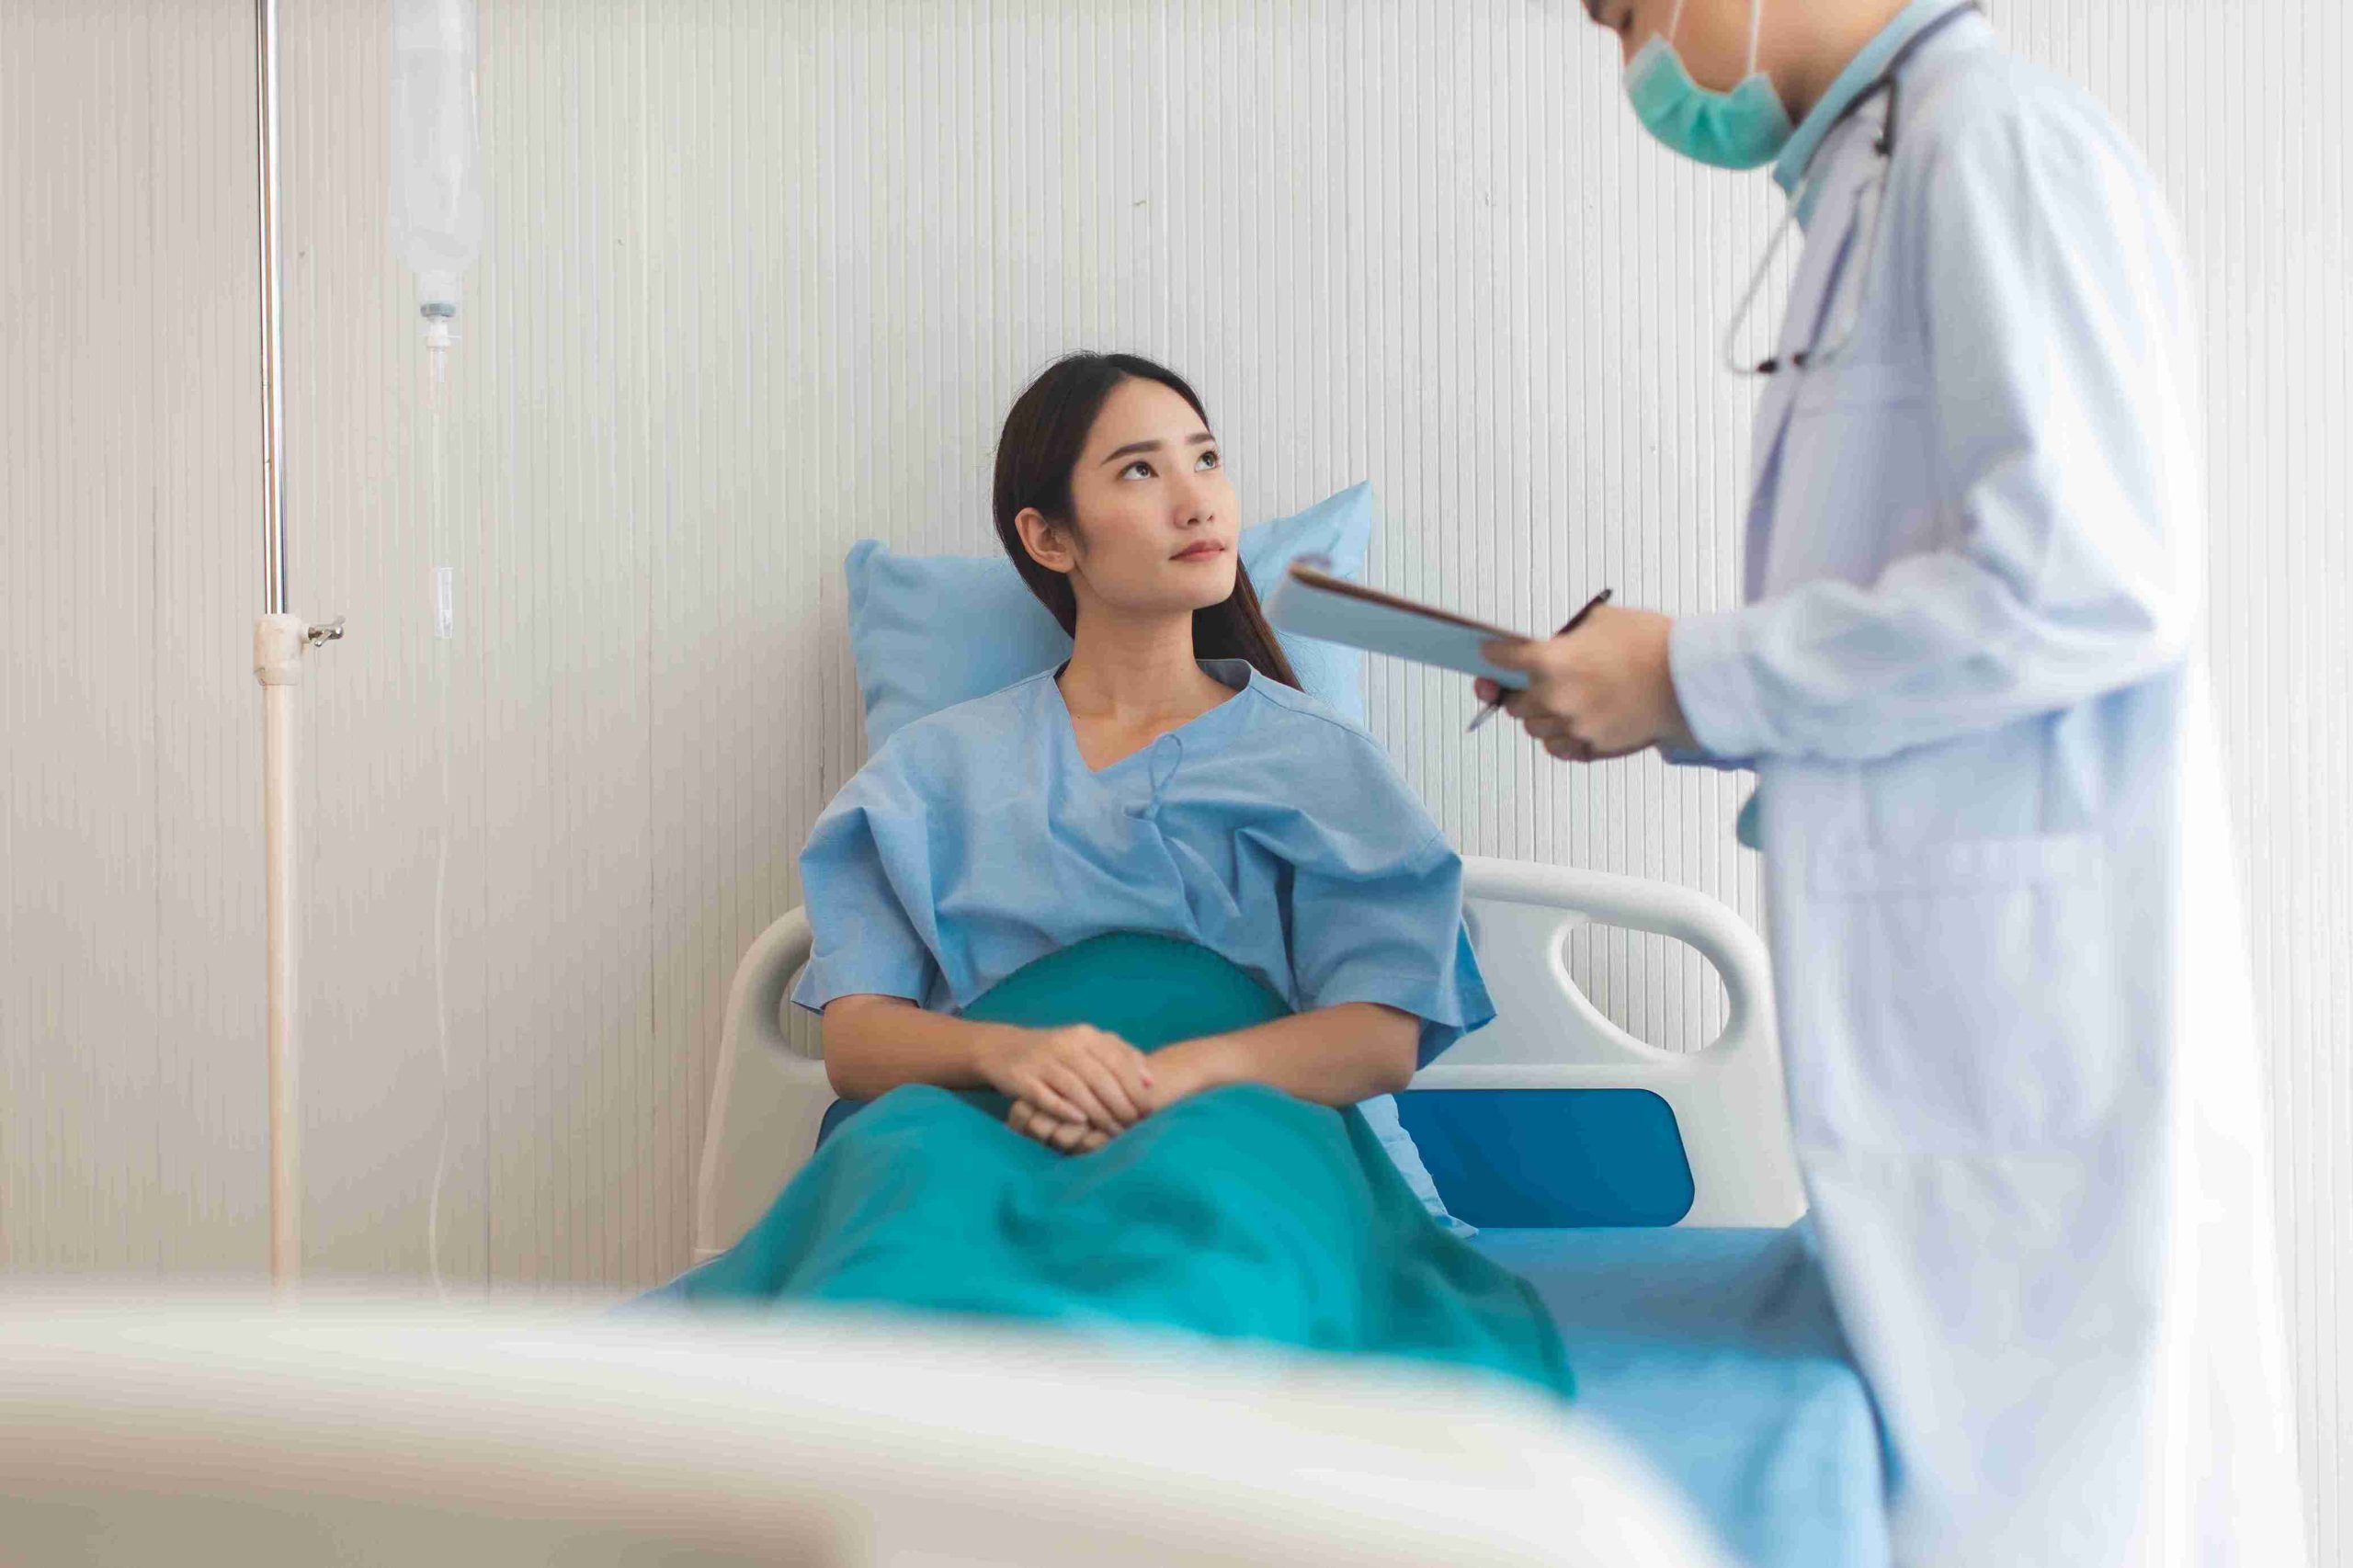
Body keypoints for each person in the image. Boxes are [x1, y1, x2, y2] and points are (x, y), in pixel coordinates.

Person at [1472, 2, 2307, 1562]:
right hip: (1951, 1005)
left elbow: (2090, 578)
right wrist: (1668, 695)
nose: (1635, 58)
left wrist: (1693, 673)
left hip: (2034, 1017)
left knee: (2058, 1496)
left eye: (1632, 14)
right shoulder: (1876, 172)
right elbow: (1920, 613)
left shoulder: (1995, 147)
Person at [652, 353, 1569, 1399]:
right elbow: (858, 1037)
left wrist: (1164, 1078)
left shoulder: (1316, 759)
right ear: (1048, 537)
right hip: (976, 1114)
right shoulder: (930, 772)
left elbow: (1382, 1032)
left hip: (1234, 1109)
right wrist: (1010, 1052)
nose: (1196, 500)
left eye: (1207, 460)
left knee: (1211, 1243)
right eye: (1140, 472)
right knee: (897, 1200)